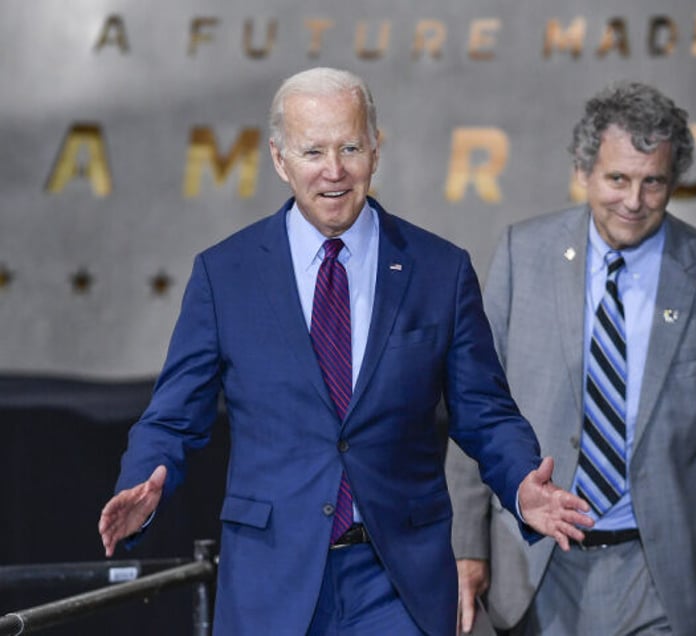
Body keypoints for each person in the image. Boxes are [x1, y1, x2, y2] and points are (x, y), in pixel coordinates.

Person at [97, 67, 594, 635]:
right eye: (313, 151)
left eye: (350, 147)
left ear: (376, 151)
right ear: (281, 161)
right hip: (273, 577)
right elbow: (173, 417)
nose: (333, 171)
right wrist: (140, 484)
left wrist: (522, 481)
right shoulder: (225, 274)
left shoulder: (439, 270)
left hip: (396, 579)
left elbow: (484, 410)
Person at [446, 81, 696, 636]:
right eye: (617, 178)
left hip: (659, 575)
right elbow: (476, 408)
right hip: (534, 567)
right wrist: (465, 547)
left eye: (653, 182)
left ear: (674, 182)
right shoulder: (523, 255)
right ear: (583, 171)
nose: (634, 201)